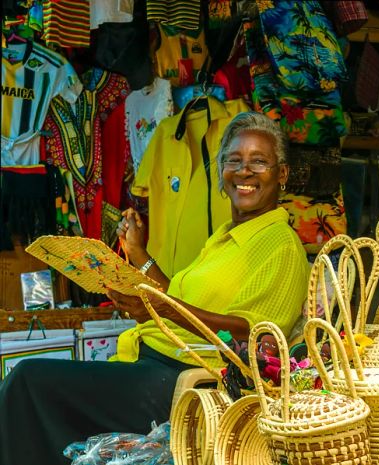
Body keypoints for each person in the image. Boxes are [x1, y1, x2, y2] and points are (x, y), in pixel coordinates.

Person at [0, 112, 310, 464]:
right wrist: (138, 254)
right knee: (36, 392)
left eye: (259, 162)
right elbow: (174, 296)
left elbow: (256, 334)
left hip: (183, 382)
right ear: (222, 172)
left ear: (281, 174)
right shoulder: (224, 237)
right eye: (234, 160)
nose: (244, 171)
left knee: (27, 382)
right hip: (149, 363)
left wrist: (161, 308)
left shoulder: (280, 244)